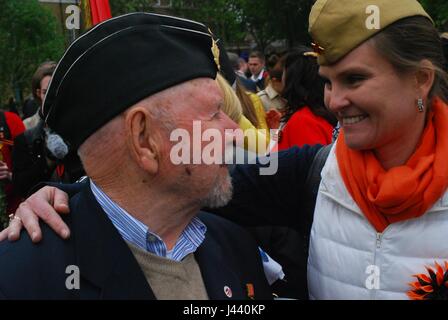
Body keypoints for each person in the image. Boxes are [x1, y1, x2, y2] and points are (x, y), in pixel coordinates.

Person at [5, 0, 448, 300]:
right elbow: (141, 189)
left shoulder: (231, 247)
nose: (333, 101)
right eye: (330, 81)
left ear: (420, 80)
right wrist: (63, 198)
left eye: (354, 80)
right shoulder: (312, 175)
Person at [0, 13, 272, 300]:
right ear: (144, 139)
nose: (235, 133)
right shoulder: (20, 281)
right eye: (214, 114)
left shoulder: (235, 246)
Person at [12, 62, 84, 198]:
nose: (52, 97)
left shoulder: (82, 126)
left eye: (57, 90)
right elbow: (21, 186)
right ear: (38, 93)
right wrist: (47, 161)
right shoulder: (27, 135)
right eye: (47, 92)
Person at [275, 48, 337, 151]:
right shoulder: (315, 114)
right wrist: (276, 130)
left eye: (284, 71)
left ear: (291, 77)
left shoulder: (303, 121)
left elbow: (272, 163)